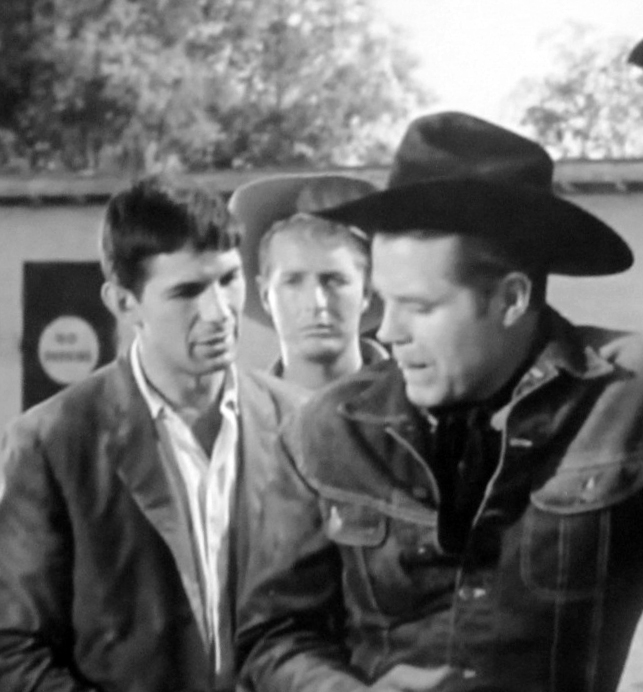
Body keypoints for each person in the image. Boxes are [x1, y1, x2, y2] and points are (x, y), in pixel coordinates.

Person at [236, 112, 643, 692]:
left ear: (511, 299)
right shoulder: (326, 431)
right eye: (385, 300)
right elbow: (272, 637)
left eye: (419, 307)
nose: (388, 330)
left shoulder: (623, 405)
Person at [0, 175, 302, 692]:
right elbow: (12, 648)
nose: (218, 312)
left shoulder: (299, 422)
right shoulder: (52, 442)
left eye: (228, 280)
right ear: (123, 303)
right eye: (187, 292)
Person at [229, 174, 387, 391]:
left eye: (335, 281)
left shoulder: (416, 399)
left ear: (366, 292)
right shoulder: (239, 409)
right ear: (266, 295)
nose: (317, 303)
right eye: (293, 282)